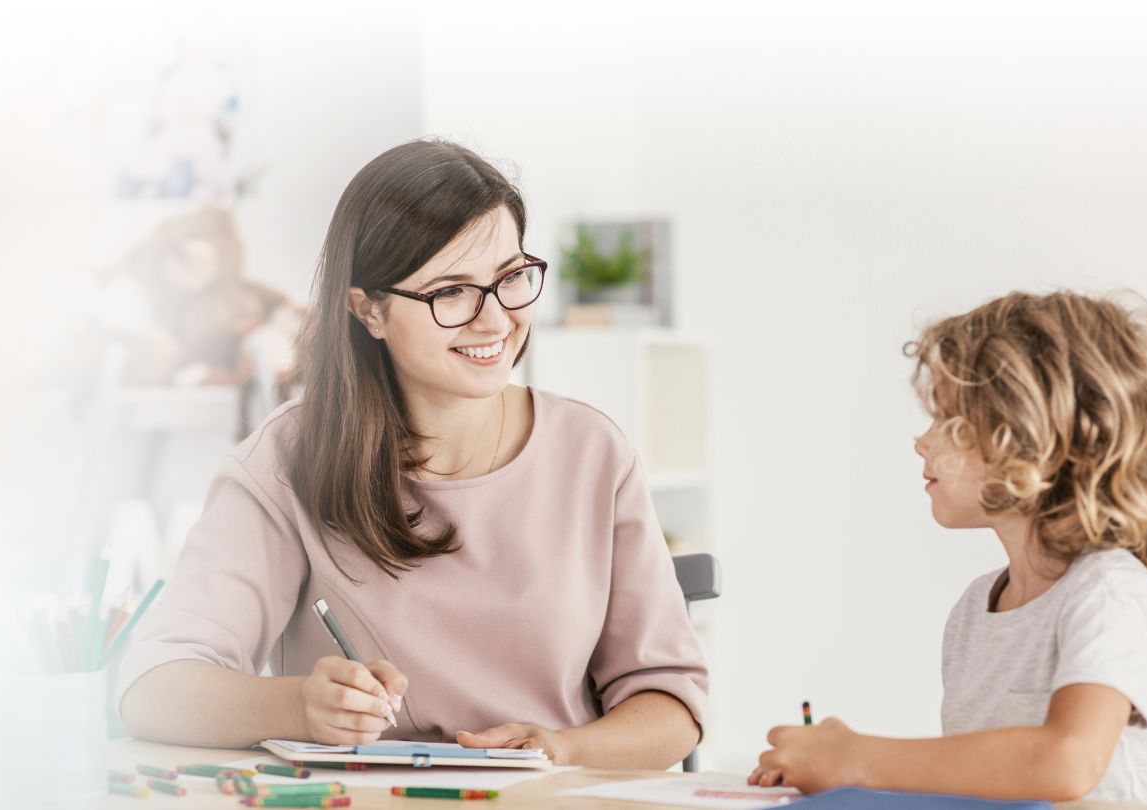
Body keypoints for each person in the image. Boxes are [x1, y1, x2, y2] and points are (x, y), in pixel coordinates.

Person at [112, 139, 707, 768]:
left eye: (510, 279)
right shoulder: (288, 460)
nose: (495, 320)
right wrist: (296, 707)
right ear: (369, 309)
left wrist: (563, 747)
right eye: (451, 292)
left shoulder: (593, 453)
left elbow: (670, 705)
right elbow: (154, 688)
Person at [751, 291, 1147, 803]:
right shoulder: (974, 610)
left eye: (951, 423)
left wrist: (857, 758)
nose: (923, 443)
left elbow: (1067, 761)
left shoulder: (1113, 595)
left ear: (1034, 440)